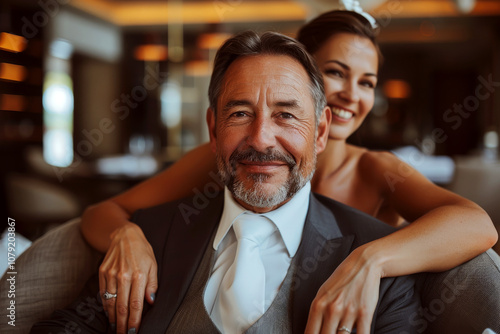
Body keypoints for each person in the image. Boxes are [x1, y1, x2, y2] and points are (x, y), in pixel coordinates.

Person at [80, 10, 498, 334]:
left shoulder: (375, 169)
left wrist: (371, 259)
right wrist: (127, 235)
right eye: (335, 72)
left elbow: (475, 224)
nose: (353, 94)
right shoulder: (233, 154)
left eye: (367, 82)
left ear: (320, 125)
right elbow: (105, 211)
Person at [32, 30, 421, 334]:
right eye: (239, 113)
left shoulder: (376, 259)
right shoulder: (151, 233)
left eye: (285, 115)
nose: (261, 139)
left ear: (320, 132)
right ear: (213, 129)